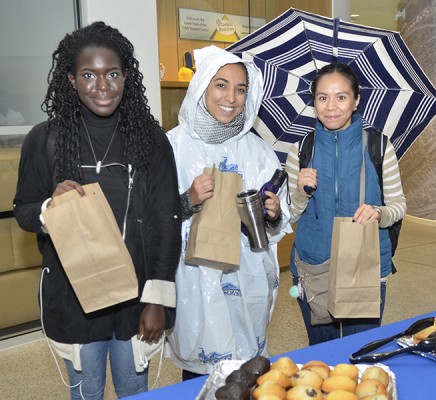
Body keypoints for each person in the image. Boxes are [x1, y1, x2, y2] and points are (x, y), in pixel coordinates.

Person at [12, 22, 181, 399]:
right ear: (71, 79)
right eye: (89, 74)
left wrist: (157, 298)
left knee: (134, 389)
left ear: (127, 77)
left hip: (137, 296)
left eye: (113, 74)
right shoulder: (45, 140)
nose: (102, 85)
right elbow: (23, 210)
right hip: (75, 298)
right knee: (86, 393)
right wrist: (48, 207)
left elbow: (166, 222)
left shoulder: (150, 139)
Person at [166, 45, 291, 380]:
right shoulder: (171, 147)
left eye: (240, 89)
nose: (231, 97)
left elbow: (277, 225)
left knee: (245, 373)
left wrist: (273, 213)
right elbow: (150, 219)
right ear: (201, 86)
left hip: (246, 280)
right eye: (221, 84)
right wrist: (188, 199)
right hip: (193, 281)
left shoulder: (258, 151)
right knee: (199, 371)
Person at [284, 62, 406, 345]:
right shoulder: (301, 150)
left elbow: (399, 205)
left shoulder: (379, 147)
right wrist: (301, 191)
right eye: (322, 97)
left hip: (363, 263)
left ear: (356, 100)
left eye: (341, 97)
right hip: (313, 266)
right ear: (314, 101)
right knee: (322, 356)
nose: (331, 107)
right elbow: (289, 214)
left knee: (358, 353)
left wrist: (378, 212)